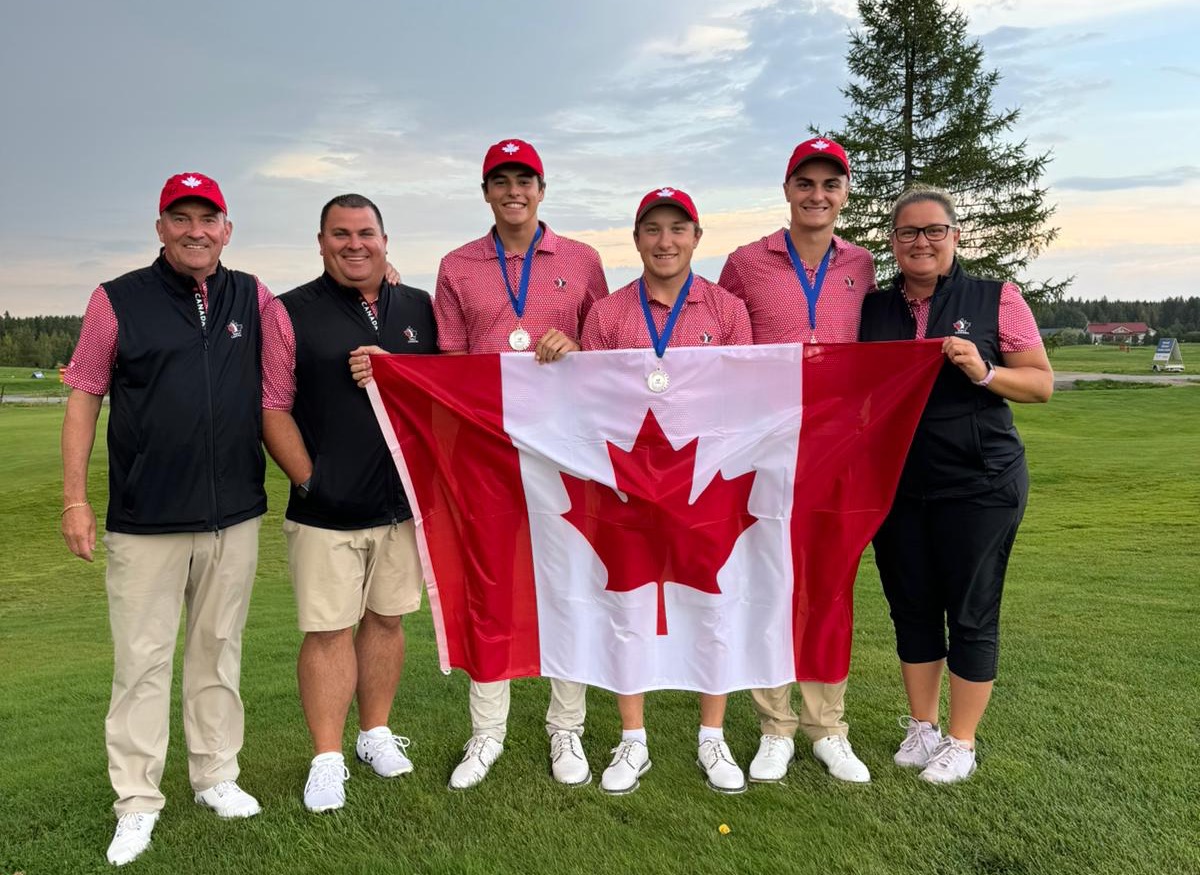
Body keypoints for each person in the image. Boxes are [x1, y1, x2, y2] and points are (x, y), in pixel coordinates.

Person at [61, 172, 268, 866]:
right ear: (159, 229)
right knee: (142, 663)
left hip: (233, 515)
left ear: (226, 229)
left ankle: (215, 775)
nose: (195, 230)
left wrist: (379, 279)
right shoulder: (117, 299)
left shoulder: (253, 296)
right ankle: (137, 800)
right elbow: (85, 395)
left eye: (207, 218)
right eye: (180, 218)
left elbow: (313, 321)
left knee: (218, 653)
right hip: (146, 520)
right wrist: (74, 498)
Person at [429, 138, 609, 790]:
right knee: (490, 587)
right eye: (500, 180)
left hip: (566, 453)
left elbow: (608, 350)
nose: (513, 190)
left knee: (570, 586)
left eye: (524, 179)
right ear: (486, 192)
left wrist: (581, 343)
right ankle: (487, 733)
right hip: (487, 456)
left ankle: (566, 728)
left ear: (541, 187)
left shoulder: (583, 260)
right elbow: (449, 370)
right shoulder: (456, 265)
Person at [858, 184, 1053, 783]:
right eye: (908, 232)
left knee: (970, 611)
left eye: (933, 231)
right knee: (911, 606)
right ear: (893, 242)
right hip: (898, 485)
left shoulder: (995, 298)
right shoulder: (875, 308)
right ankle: (923, 727)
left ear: (954, 236)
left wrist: (984, 370)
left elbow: (1040, 383)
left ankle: (962, 742)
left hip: (980, 481)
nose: (921, 242)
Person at [261, 194, 438, 812]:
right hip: (326, 508)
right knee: (329, 630)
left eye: (366, 233)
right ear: (320, 241)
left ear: (386, 241)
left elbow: (444, 390)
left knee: (387, 621)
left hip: (400, 504)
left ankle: (375, 733)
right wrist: (310, 481)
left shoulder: (417, 307)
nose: (354, 244)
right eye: (340, 234)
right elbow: (271, 407)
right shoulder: (289, 313)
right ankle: (327, 757)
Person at [580, 186, 752, 795]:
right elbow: (590, 399)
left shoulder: (727, 308)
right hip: (628, 484)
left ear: (697, 237)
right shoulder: (606, 313)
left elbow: (746, 393)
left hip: (702, 479)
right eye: (652, 229)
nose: (665, 241)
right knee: (626, 604)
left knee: (713, 604)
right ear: (636, 240)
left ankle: (713, 736)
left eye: (678, 228)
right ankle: (632, 741)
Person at [717, 137, 875, 784]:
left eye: (829, 184)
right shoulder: (744, 263)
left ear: (843, 193)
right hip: (767, 448)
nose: (817, 195)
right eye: (804, 183)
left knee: (830, 586)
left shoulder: (862, 265)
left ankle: (827, 725)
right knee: (769, 584)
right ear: (787, 190)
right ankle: (775, 726)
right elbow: (720, 347)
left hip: (841, 449)